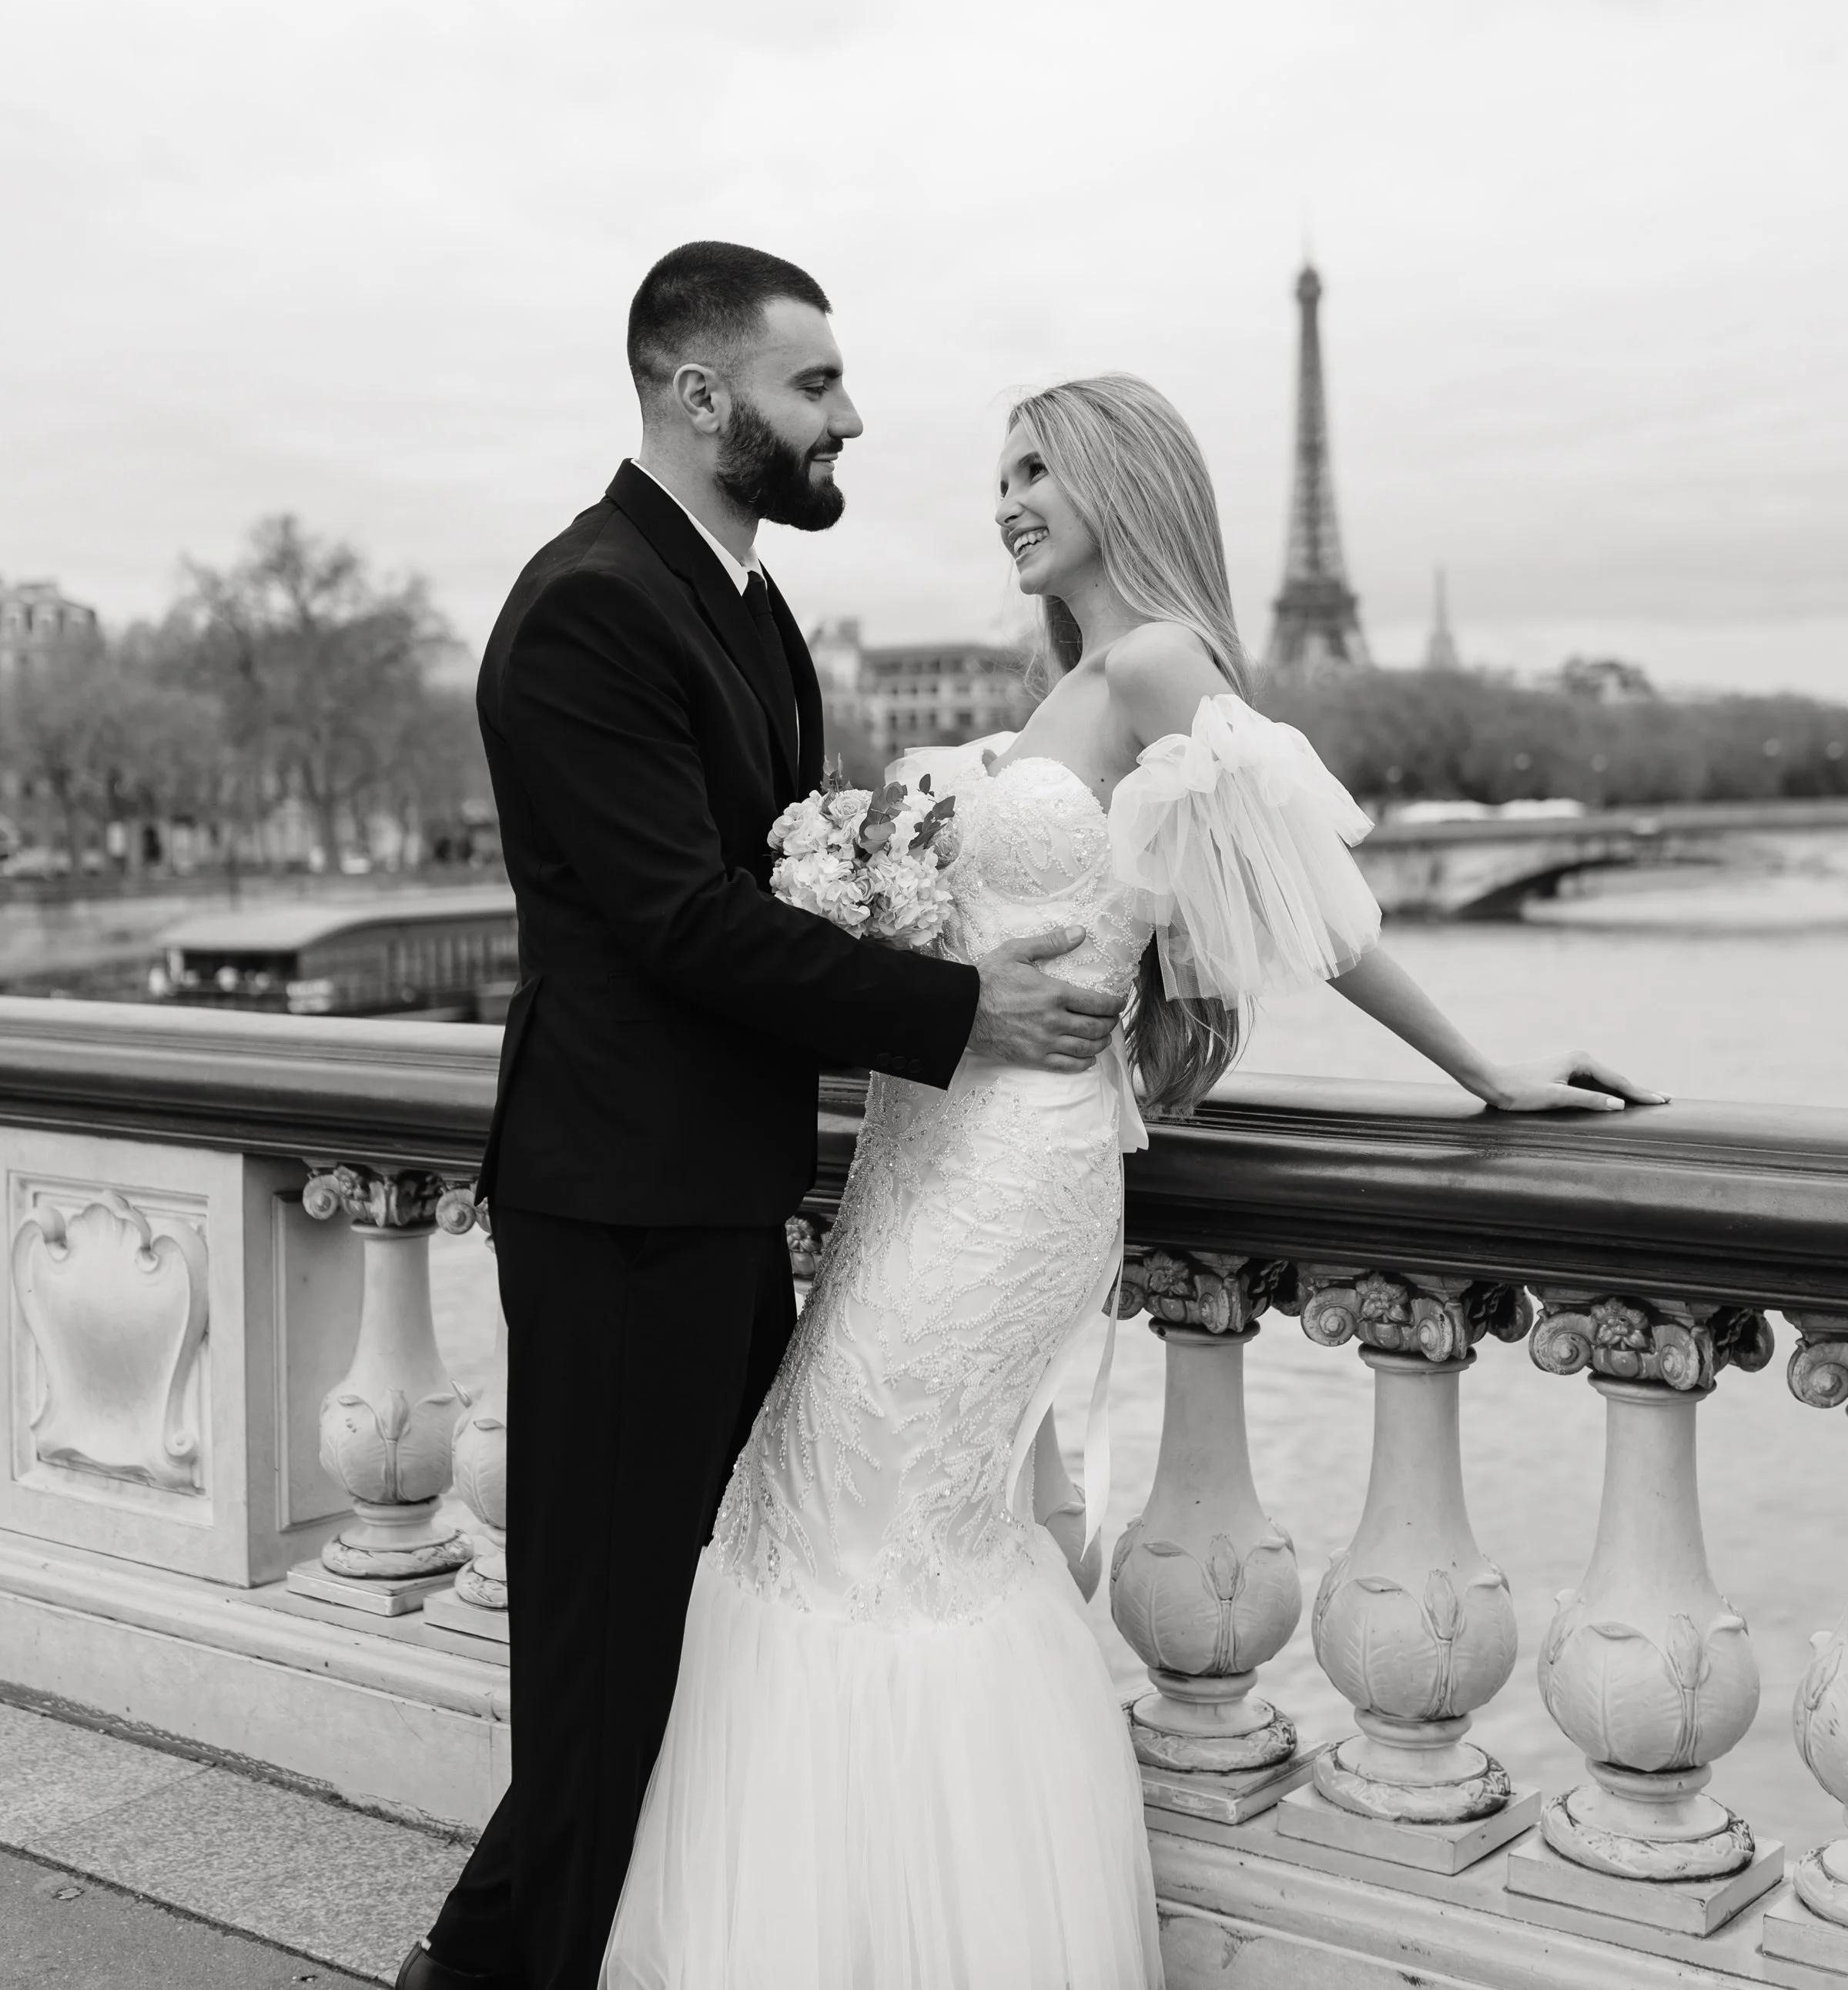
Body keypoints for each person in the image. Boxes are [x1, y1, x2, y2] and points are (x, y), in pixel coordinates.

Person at [602, 372, 1662, 1988]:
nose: (1009, 499)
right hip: (917, 1156)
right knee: (817, 1515)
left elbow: (1319, 906)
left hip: (1014, 1172)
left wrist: (1486, 1074)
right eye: (999, 475)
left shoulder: (1161, 663)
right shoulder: (1071, 687)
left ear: (1119, 478)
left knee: (896, 1534)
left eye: (1036, 469)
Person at [400, 249, 1126, 1990]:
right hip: (624, 1205)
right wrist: (970, 1011)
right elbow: (681, 919)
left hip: (719, 1200)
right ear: (698, 395)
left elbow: (790, 883)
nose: (851, 415)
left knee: (708, 1649)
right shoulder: (589, 603)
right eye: (816, 386)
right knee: (609, 1659)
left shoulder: (742, 603)